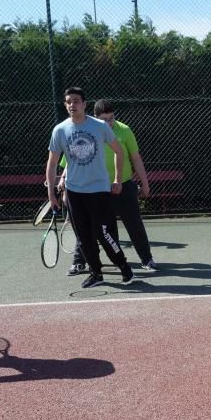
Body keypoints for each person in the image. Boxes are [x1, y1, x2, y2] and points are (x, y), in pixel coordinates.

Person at [45, 87, 134, 289]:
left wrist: (118, 180)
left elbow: (119, 152)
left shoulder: (100, 126)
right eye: (68, 101)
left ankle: (124, 266)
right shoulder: (60, 130)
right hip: (74, 192)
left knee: (103, 233)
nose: (72, 105)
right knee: (84, 238)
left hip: (99, 191)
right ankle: (96, 273)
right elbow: (52, 164)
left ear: (84, 105)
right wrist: (51, 194)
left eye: (76, 101)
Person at [66, 100, 158, 275]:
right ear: (95, 117)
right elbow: (72, 160)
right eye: (104, 119)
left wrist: (145, 183)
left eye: (111, 118)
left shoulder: (124, 130)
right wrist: (64, 179)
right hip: (95, 189)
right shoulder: (86, 131)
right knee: (88, 227)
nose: (109, 122)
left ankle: (147, 259)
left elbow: (136, 158)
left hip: (123, 186)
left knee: (134, 225)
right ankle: (80, 262)